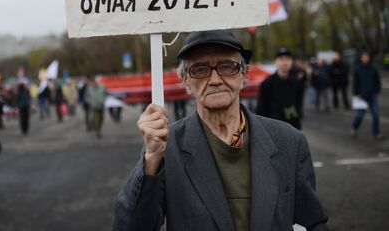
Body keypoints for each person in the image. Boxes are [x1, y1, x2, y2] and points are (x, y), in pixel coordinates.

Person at [113, 30, 328, 231]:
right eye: (200, 69)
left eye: (227, 66)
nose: (215, 80)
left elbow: (312, 222)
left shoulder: (289, 141)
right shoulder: (165, 149)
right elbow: (130, 225)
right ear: (186, 82)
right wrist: (151, 161)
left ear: (243, 75)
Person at [257, 48, 302, 130]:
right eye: (281, 59)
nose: (285, 62)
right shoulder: (267, 83)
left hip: (293, 125)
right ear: (276, 62)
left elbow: (299, 101)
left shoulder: (296, 81)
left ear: (291, 61)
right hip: (274, 127)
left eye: (287, 59)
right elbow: (261, 108)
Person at [351, 52, 383, 140]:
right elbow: (355, 83)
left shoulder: (373, 68)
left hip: (372, 95)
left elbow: (377, 80)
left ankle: (376, 133)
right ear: (361, 58)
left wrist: (377, 90)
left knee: (376, 115)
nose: (365, 59)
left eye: (367, 57)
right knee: (359, 116)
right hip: (361, 96)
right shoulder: (357, 69)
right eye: (364, 57)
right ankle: (354, 127)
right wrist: (356, 93)